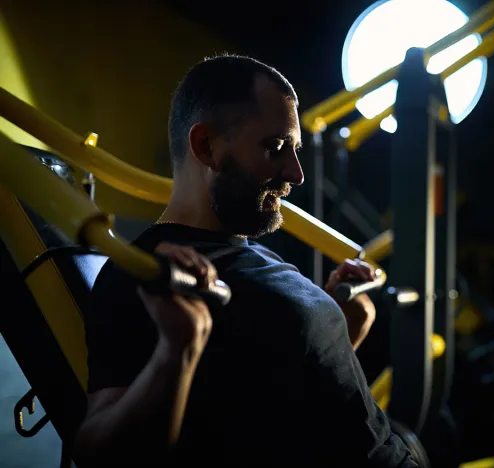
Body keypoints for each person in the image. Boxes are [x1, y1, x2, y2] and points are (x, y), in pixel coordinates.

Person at [73, 54, 418, 467]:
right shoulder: (149, 273)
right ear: (205, 146)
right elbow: (96, 452)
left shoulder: (255, 250)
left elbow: (276, 400)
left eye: (295, 149)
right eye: (276, 148)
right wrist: (178, 348)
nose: (296, 173)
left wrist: (342, 327)